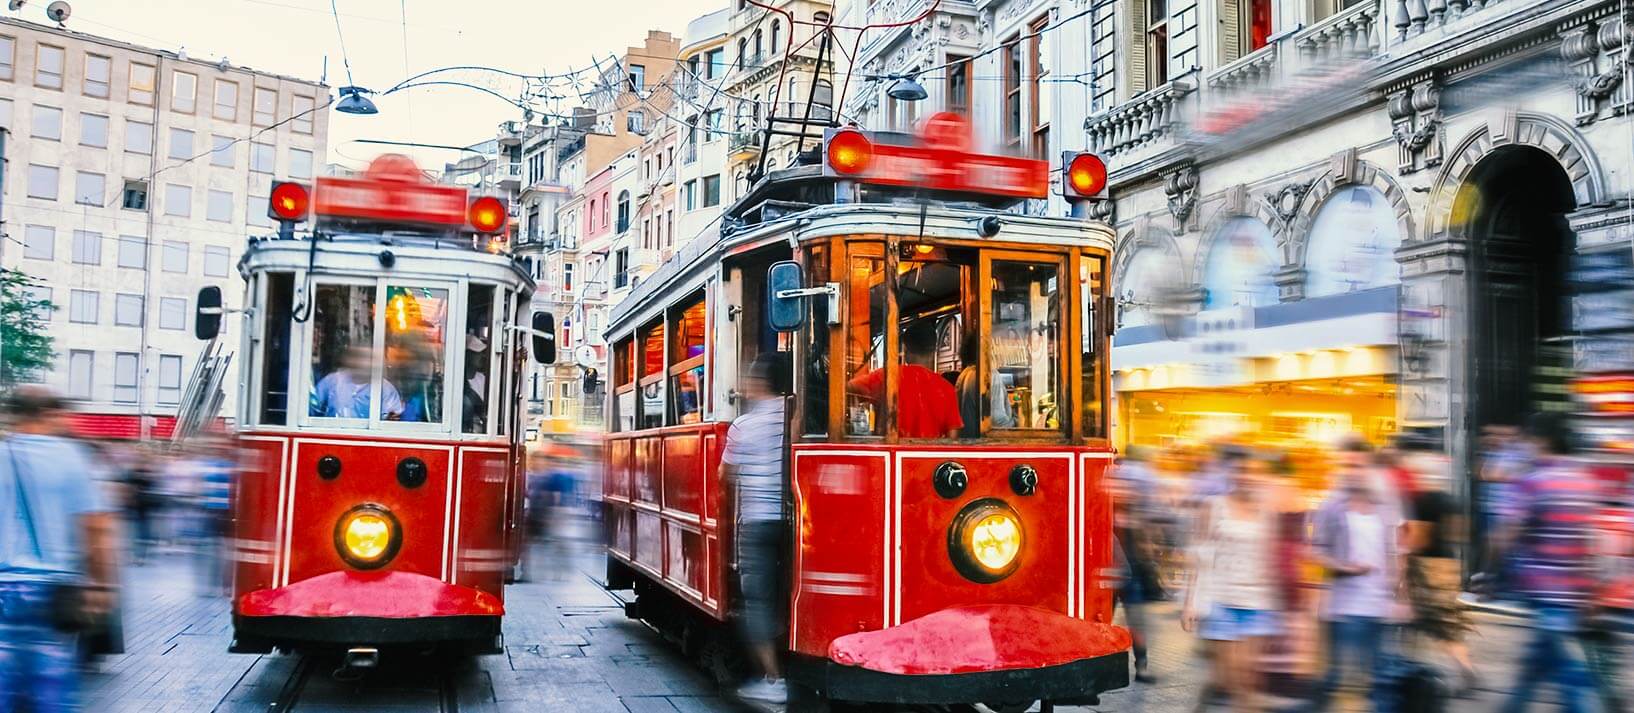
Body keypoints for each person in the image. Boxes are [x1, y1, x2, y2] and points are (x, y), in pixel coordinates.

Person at [0, 386, 120, 712]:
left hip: (2, 586)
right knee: (50, 683)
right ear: (50, 415)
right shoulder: (70, 457)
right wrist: (101, 584)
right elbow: (96, 527)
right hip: (52, 590)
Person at [1500, 413, 1600, 713]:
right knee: (1535, 669)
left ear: (1542, 440)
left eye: (1529, 440)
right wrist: (1592, 589)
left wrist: (1496, 573)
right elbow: (1592, 542)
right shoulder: (1585, 480)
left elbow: (1507, 533)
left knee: (1572, 681)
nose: (1527, 446)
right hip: (1575, 593)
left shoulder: (1534, 481)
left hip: (1546, 595)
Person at [1304, 440, 1400, 713]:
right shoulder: (1332, 506)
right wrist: (1346, 567)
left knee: (1381, 682)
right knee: (1336, 680)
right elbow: (1316, 551)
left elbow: (1392, 550)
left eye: (1358, 465)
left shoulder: (1384, 503)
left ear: (1370, 467)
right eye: (1346, 465)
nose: (1352, 471)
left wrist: (1400, 594)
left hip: (1379, 607)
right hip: (1344, 609)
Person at [1183, 454, 1280, 713]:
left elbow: (1271, 558)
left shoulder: (1268, 511)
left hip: (1257, 603)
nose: (1249, 476)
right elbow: (1198, 555)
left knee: (1248, 679)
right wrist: (1190, 603)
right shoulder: (1214, 506)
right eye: (1244, 470)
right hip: (1220, 600)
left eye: (1255, 471)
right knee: (1229, 678)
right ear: (1234, 474)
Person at [721, 353, 790, 705]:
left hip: (758, 521)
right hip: (794, 523)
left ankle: (773, 680)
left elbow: (725, 475)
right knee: (786, 593)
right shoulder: (796, 419)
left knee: (758, 600)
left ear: (759, 384)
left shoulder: (743, 427)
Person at [1398, 432, 1478, 695]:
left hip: (1427, 567)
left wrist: (1405, 562)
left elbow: (1419, 538)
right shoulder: (1449, 500)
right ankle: (1419, 669)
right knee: (1444, 622)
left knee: (1430, 622)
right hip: (1449, 564)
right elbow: (1462, 532)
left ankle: (1456, 671)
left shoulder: (1421, 501)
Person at [849, 322, 961, 439]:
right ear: (934, 350)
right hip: (929, 456)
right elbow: (952, 437)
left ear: (906, 350)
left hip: (890, 454)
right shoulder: (947, 389)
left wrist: (858, 421)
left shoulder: (886, 377)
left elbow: (849, 387)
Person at [1111, 446, 1162, 683]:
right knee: (1134, 613)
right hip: (1124, 561)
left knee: (1127, 613)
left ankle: (1139, 664)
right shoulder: (1140, 482)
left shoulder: (1111, 483)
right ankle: (1140, 666)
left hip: (1119, 562)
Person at [311, 345, 405, 419]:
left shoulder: (385, 389)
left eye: (368, 359)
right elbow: (312, 409)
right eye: (358, 357)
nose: (362, 362)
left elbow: (392, 419)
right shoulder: (332, 381)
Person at [955, 333, 1014, 438]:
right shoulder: (988, 374)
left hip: (967, 444)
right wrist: (1017, 423)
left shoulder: (964, 374)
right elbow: (997, 421)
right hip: (983, 444)